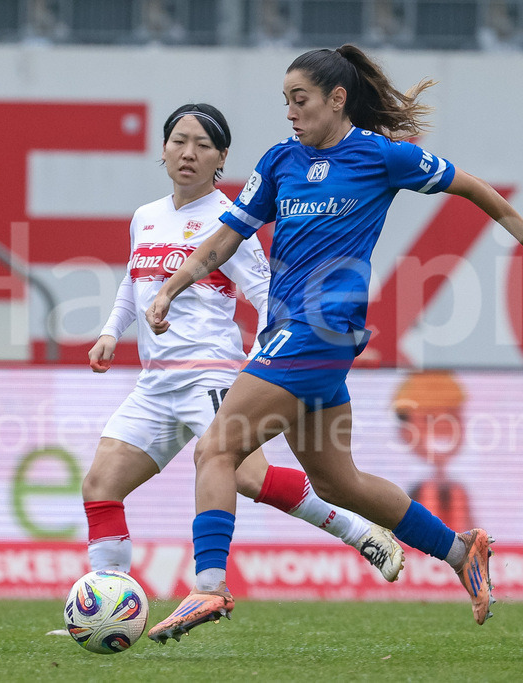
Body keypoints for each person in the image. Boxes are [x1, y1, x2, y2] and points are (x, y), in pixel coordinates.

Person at [145, 46, 523, 642]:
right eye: (285, 101)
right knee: (338, 483)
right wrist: (171, 288)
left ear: (337, 99)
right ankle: (460, 549)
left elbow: (469, 186)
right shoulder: (280, 162)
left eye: (300, 100)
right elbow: (228, 235)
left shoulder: (380, 156)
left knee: (216, 451)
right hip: (294, 334)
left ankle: (208, 587)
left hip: (318, 331)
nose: (290, 112)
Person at [80, 102, 405, 592]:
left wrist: (282, 352)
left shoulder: (230, 221)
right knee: (100, 486)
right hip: (156, 383)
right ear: (163, 150)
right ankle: (108, 602)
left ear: (221, 158)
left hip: (211, 376)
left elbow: (267, 294)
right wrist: (110, 330)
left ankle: (358, 531)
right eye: (178, 141)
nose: (188, 153)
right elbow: (134, 279)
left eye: (202, 145)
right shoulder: (145, 217)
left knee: (250, 478)